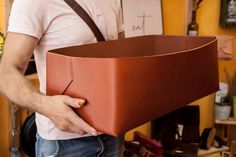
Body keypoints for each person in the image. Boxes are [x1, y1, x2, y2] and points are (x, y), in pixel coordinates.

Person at [0, 0, 125, 156]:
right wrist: (45, 106)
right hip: (64, 144)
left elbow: (120, 58)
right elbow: (6, 73)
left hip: (114, 135)